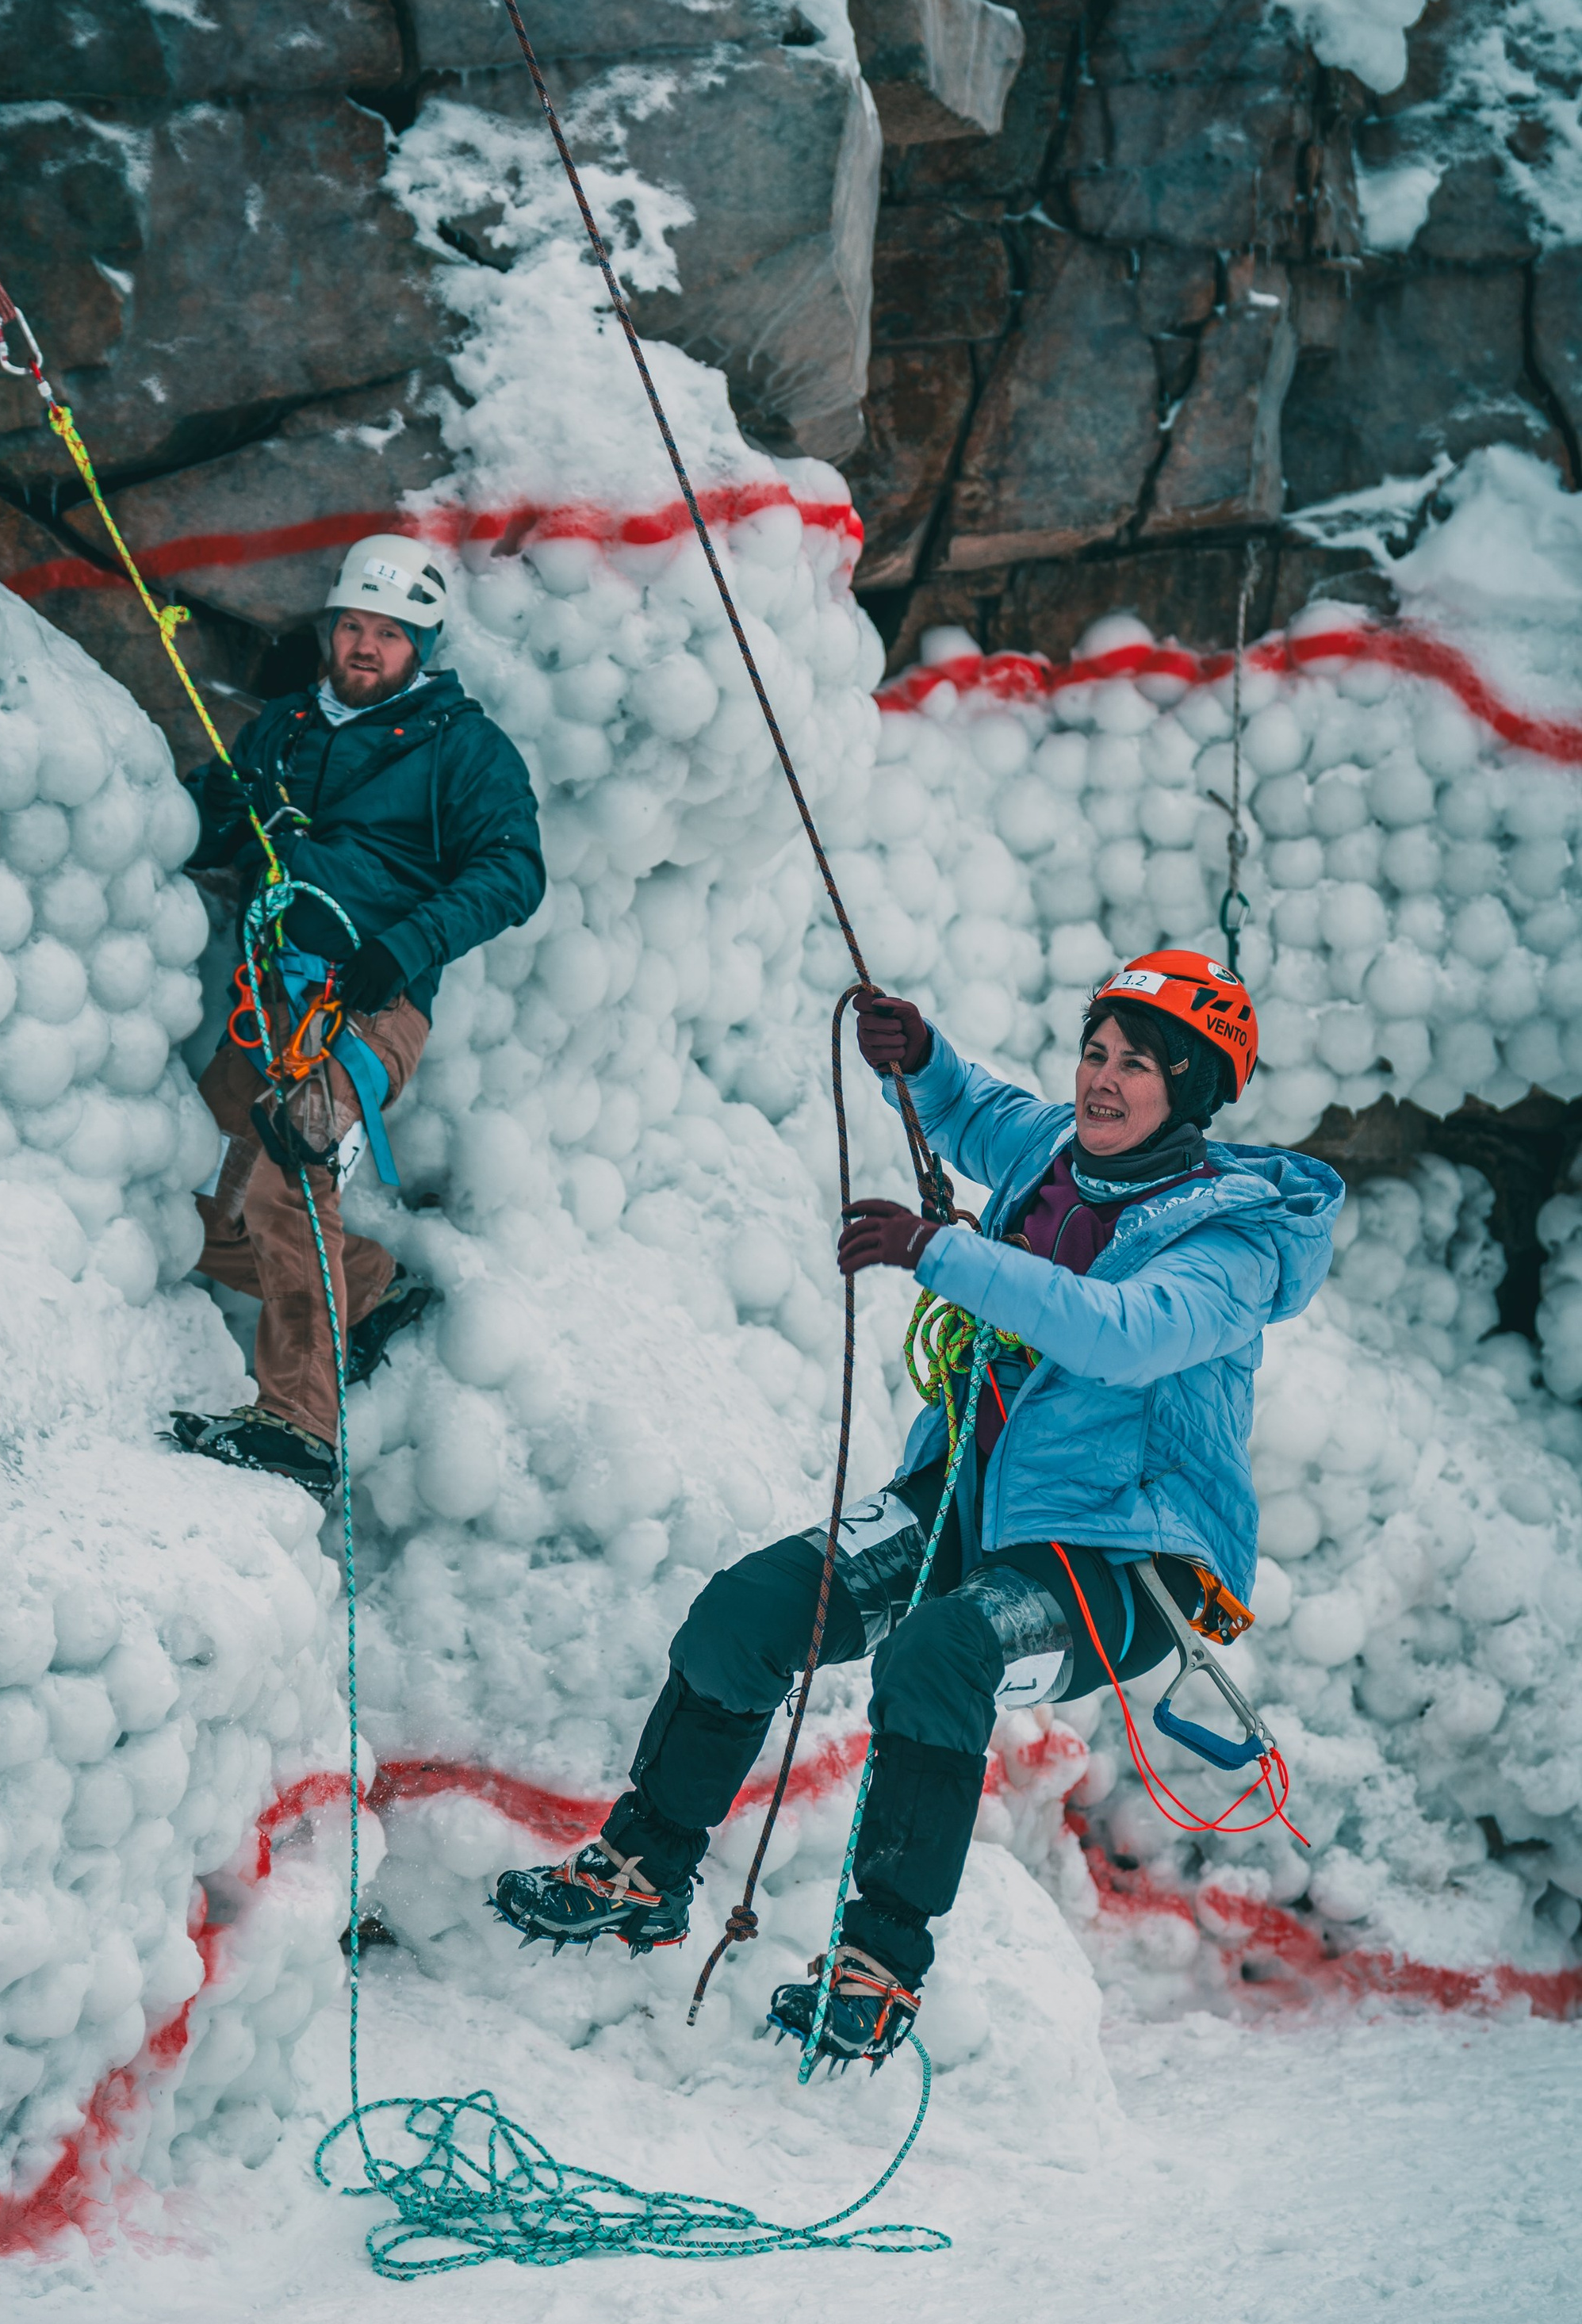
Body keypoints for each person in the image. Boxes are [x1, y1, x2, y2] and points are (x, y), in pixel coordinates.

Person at [492, 950, 1342, 2066]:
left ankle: (880, 1966)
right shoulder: (1057, 1155)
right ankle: (644, 1869)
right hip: (968, 1504)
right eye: (1096, 1050)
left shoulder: (1232, 1242)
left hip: (1124, 1564)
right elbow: (978, 1113)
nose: (1103, 1079)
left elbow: (1119, 1334)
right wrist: (924, 1060)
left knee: (938, 1655)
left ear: (1189, 1089)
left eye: (1138, 1064)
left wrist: (938, 1251)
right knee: (748, 1612)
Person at [169, 534, 546, 1499]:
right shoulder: (285, 728)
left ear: (421, 645)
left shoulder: (462, 746)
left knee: (291, 1169)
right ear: (329, 630)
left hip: (367, 1008)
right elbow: (218, 830)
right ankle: (367, 1290)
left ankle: (300, 1426)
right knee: (201, 1211)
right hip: (268, 1004)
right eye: (351, 628)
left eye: (387, 633)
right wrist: (220, 812)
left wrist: (402, 949)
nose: (365, 647)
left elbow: (512, 870)